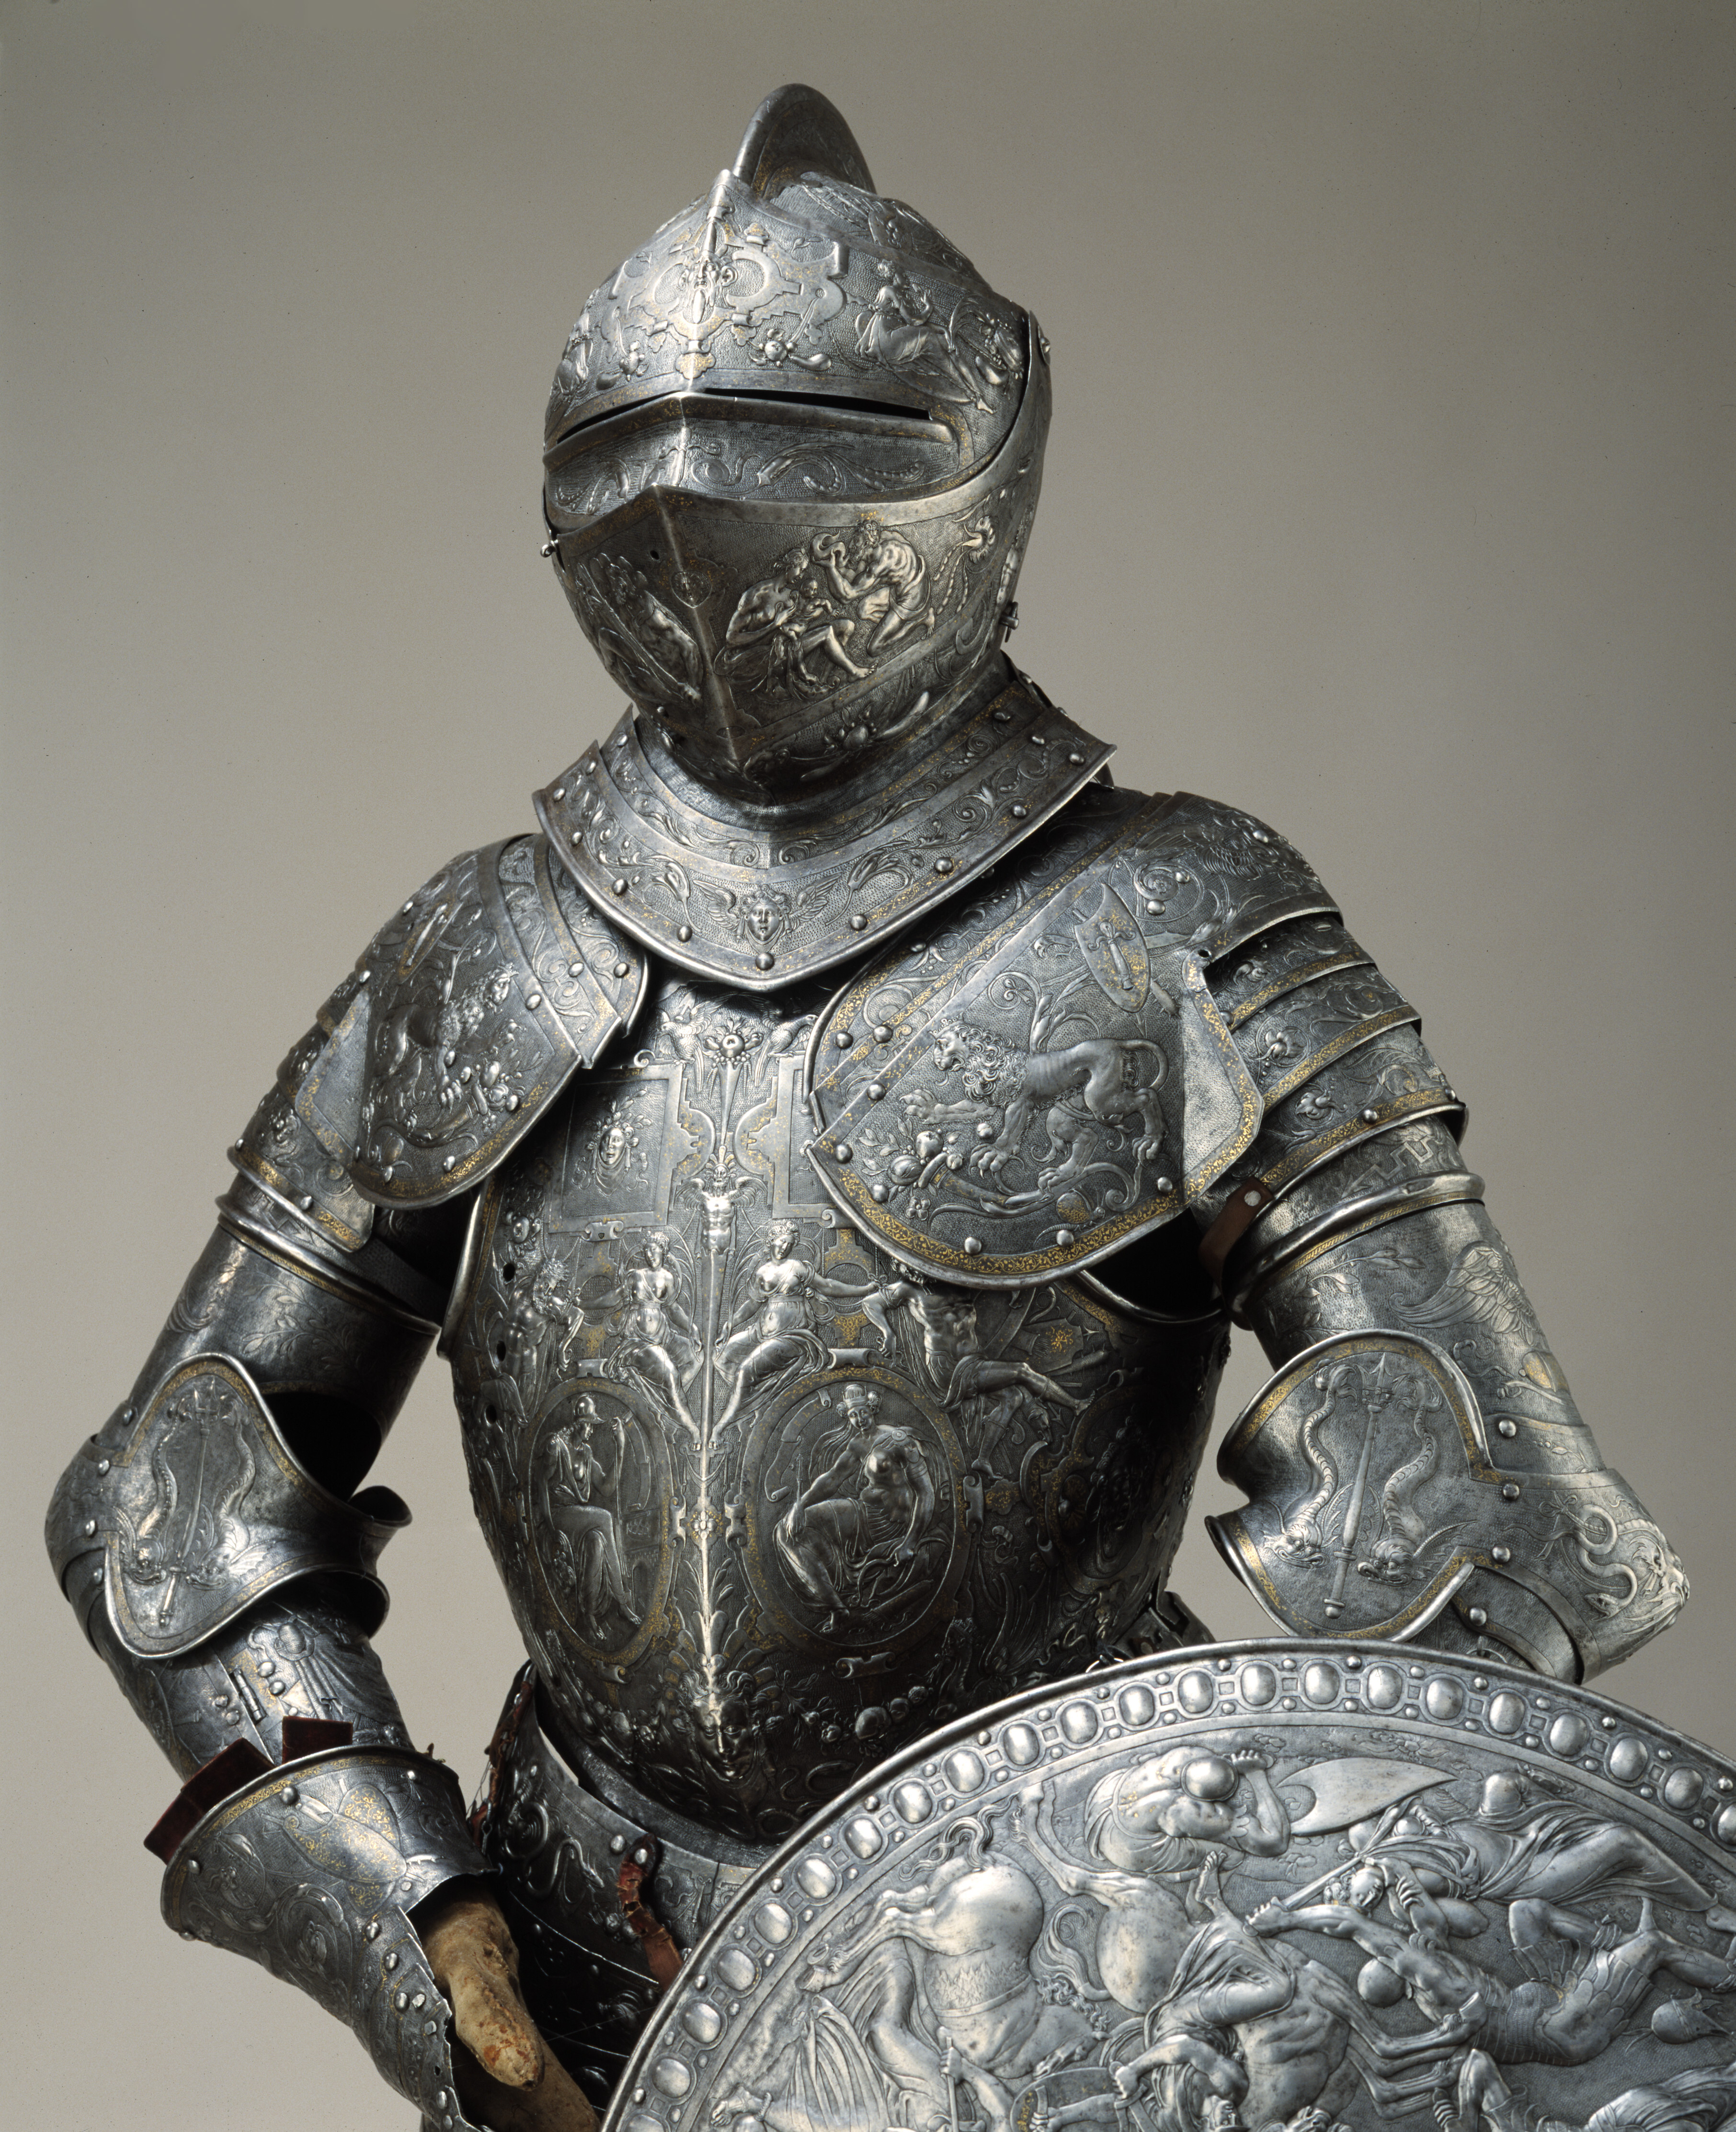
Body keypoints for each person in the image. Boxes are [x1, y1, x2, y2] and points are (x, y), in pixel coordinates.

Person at [45, 84, 1686, 2131]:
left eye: (798, 449)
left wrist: (1204, 1976)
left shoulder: (1177, 925)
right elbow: (174, 1504)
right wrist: (409, 1916)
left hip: (1061, 1991)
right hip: (580, 1982)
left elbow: (1488, 1531)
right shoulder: (477, 954)